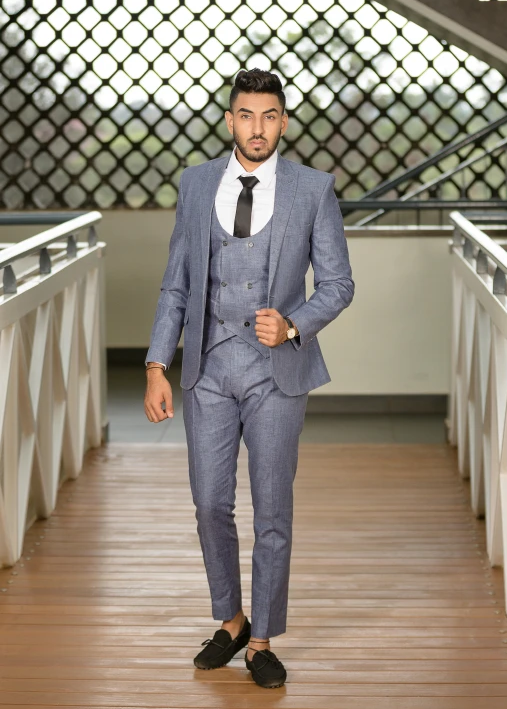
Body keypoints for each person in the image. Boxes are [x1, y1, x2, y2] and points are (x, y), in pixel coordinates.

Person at [144, 67, 354, 688]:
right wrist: (158, 363)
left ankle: (261, 640)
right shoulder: (196, 183)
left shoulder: (312, 190)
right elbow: (177, 283)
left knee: (271, 508)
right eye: (246, 115)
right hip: (207, 369)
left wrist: (293, 324)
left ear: (283, 121)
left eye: (269, 116)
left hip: (275, 374)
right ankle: (231, 619)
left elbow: (339, 284)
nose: (257, 127)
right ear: (230, 119)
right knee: (210, 502)